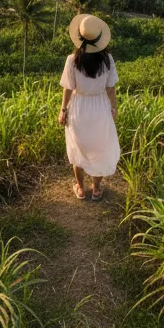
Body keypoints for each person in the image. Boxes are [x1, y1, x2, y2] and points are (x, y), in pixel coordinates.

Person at [58, 13, 121, 200]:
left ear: (79, 37)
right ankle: (96, 188)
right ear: (100, 39)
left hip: (79, 107)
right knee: (99, 149)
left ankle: (80, 187)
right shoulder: (107, 60)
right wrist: (114, 107)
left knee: (78, 148)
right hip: (100, 106)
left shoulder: (72, 60)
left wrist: (63, 110)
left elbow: (68, 89)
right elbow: (111, 88)